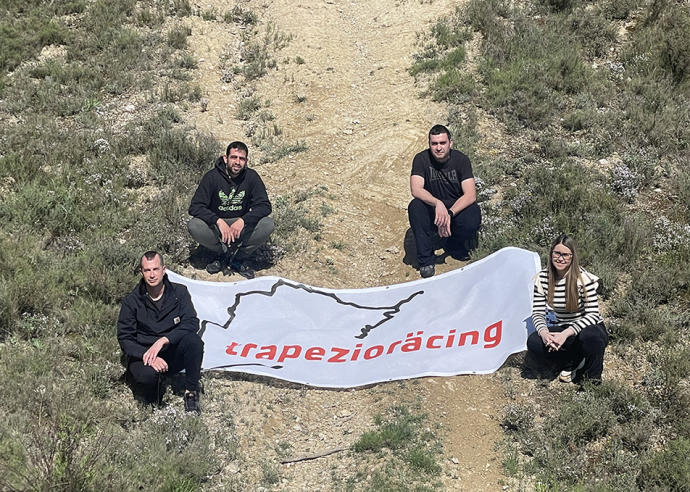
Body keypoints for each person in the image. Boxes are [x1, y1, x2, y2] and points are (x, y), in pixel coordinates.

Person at [117, 251, 204, 413]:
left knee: (194, 342)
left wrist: (164, 339)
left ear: (164, 270)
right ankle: (154, 389)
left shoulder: (179, 293)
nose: (152, 275)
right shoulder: (132, 301)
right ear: (141, 272)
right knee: (149, 388)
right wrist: (148, 356)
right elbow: (125, 337)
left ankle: (191, 392)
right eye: (147, 270)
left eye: (155, 269)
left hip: (171, 350)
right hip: (145, 355)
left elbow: (192, 323)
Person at [527, 234, 608, 384]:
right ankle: (574, 359)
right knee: (534, 342)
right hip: (566, 328)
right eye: (557, 253)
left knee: (590, 337)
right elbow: (538, 313)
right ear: (551, 253)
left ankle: (592, 380)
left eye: (565, 255)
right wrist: (545, 334)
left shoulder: (583, 279)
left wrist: (565, 334)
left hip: (590, 328)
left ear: (572, 257)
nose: (560, 258)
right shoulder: (543, 278)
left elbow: (592, 315)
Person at [188, 141, 274, 279]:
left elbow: (264, 205)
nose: (237, 162)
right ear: (225, 158)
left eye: (241, 159)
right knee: (194, 225)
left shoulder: (251, 177)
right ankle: (221, 254)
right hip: (217, 227)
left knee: (267, 224)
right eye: (234, 157)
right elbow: (195, 207)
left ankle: (238, 258)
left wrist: (243, 220)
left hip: (240, 226)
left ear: (246, 161)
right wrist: (217, 221)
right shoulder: (212, 177)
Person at [408, 124, 481, 278]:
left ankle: (454, 243)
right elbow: (416, 189)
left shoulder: (461, 160)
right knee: (415, 207)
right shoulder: (421, 159)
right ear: (429, 144)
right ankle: (426, 259)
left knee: (473, 213)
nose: (438, 148)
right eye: (434, 144)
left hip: (454, 208)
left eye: (442, 143)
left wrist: (449, 213)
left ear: (450, 143)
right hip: (432, 208)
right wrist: (437, 203)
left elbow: (470, 195)